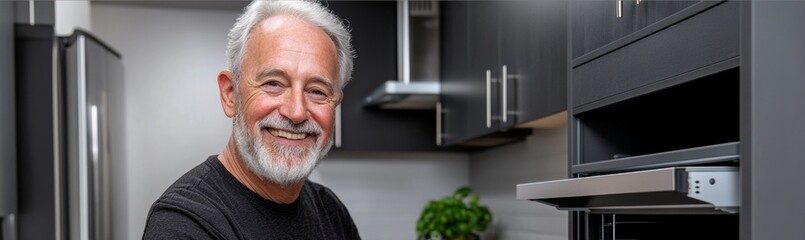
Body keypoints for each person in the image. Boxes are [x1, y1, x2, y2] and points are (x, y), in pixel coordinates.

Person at [142, 0, 359, 239]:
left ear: (336, 104)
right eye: (273, 83)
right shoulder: (184, 224)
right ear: (231, 94)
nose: (296, 112)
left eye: (317, 91)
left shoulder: (330, 210)